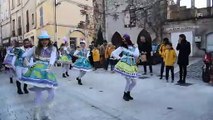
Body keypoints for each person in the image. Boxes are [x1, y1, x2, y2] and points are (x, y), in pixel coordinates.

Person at [20, 31, 58, 120]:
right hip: (36, 72)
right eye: (42, 40)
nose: (44, 41)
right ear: (40, 40)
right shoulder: (35, 48)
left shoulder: (53, 48)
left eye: (46, 39)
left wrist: (50, 67)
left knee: (52, 93)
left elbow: (52, 59)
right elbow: (24, 55)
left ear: (49, 40)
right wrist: (29, 64)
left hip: (47, 71)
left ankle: (46, 112)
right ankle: (36, 115)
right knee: (38, 93)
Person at [111, 34, 140, 101]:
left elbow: (136, 55)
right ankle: (125, 94)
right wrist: (120, 58)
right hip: (125, 65)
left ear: (128, 39)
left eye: (125, 39)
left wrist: (137, 47)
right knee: (128, 80)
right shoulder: (122, 47)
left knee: (134, 82)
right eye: (123, 39)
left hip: (132, 65)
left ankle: (128, 93)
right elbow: (114, 53)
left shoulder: (133, 47)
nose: (124, 41)